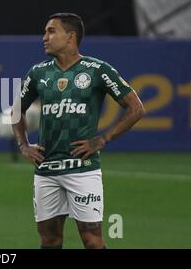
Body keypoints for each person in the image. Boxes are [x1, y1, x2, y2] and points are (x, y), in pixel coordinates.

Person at [11, 13, 145, 249]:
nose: (44, 37)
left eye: (51, 31)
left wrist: (103, 138)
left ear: (71, 36)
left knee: (92, 241)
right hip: (46, 170)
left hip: (82, 169)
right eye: (45, 31)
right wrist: (23, 144)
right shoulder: (38, 73)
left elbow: (136, 108)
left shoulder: (97, 70)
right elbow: (16, 110)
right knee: (50, 240)